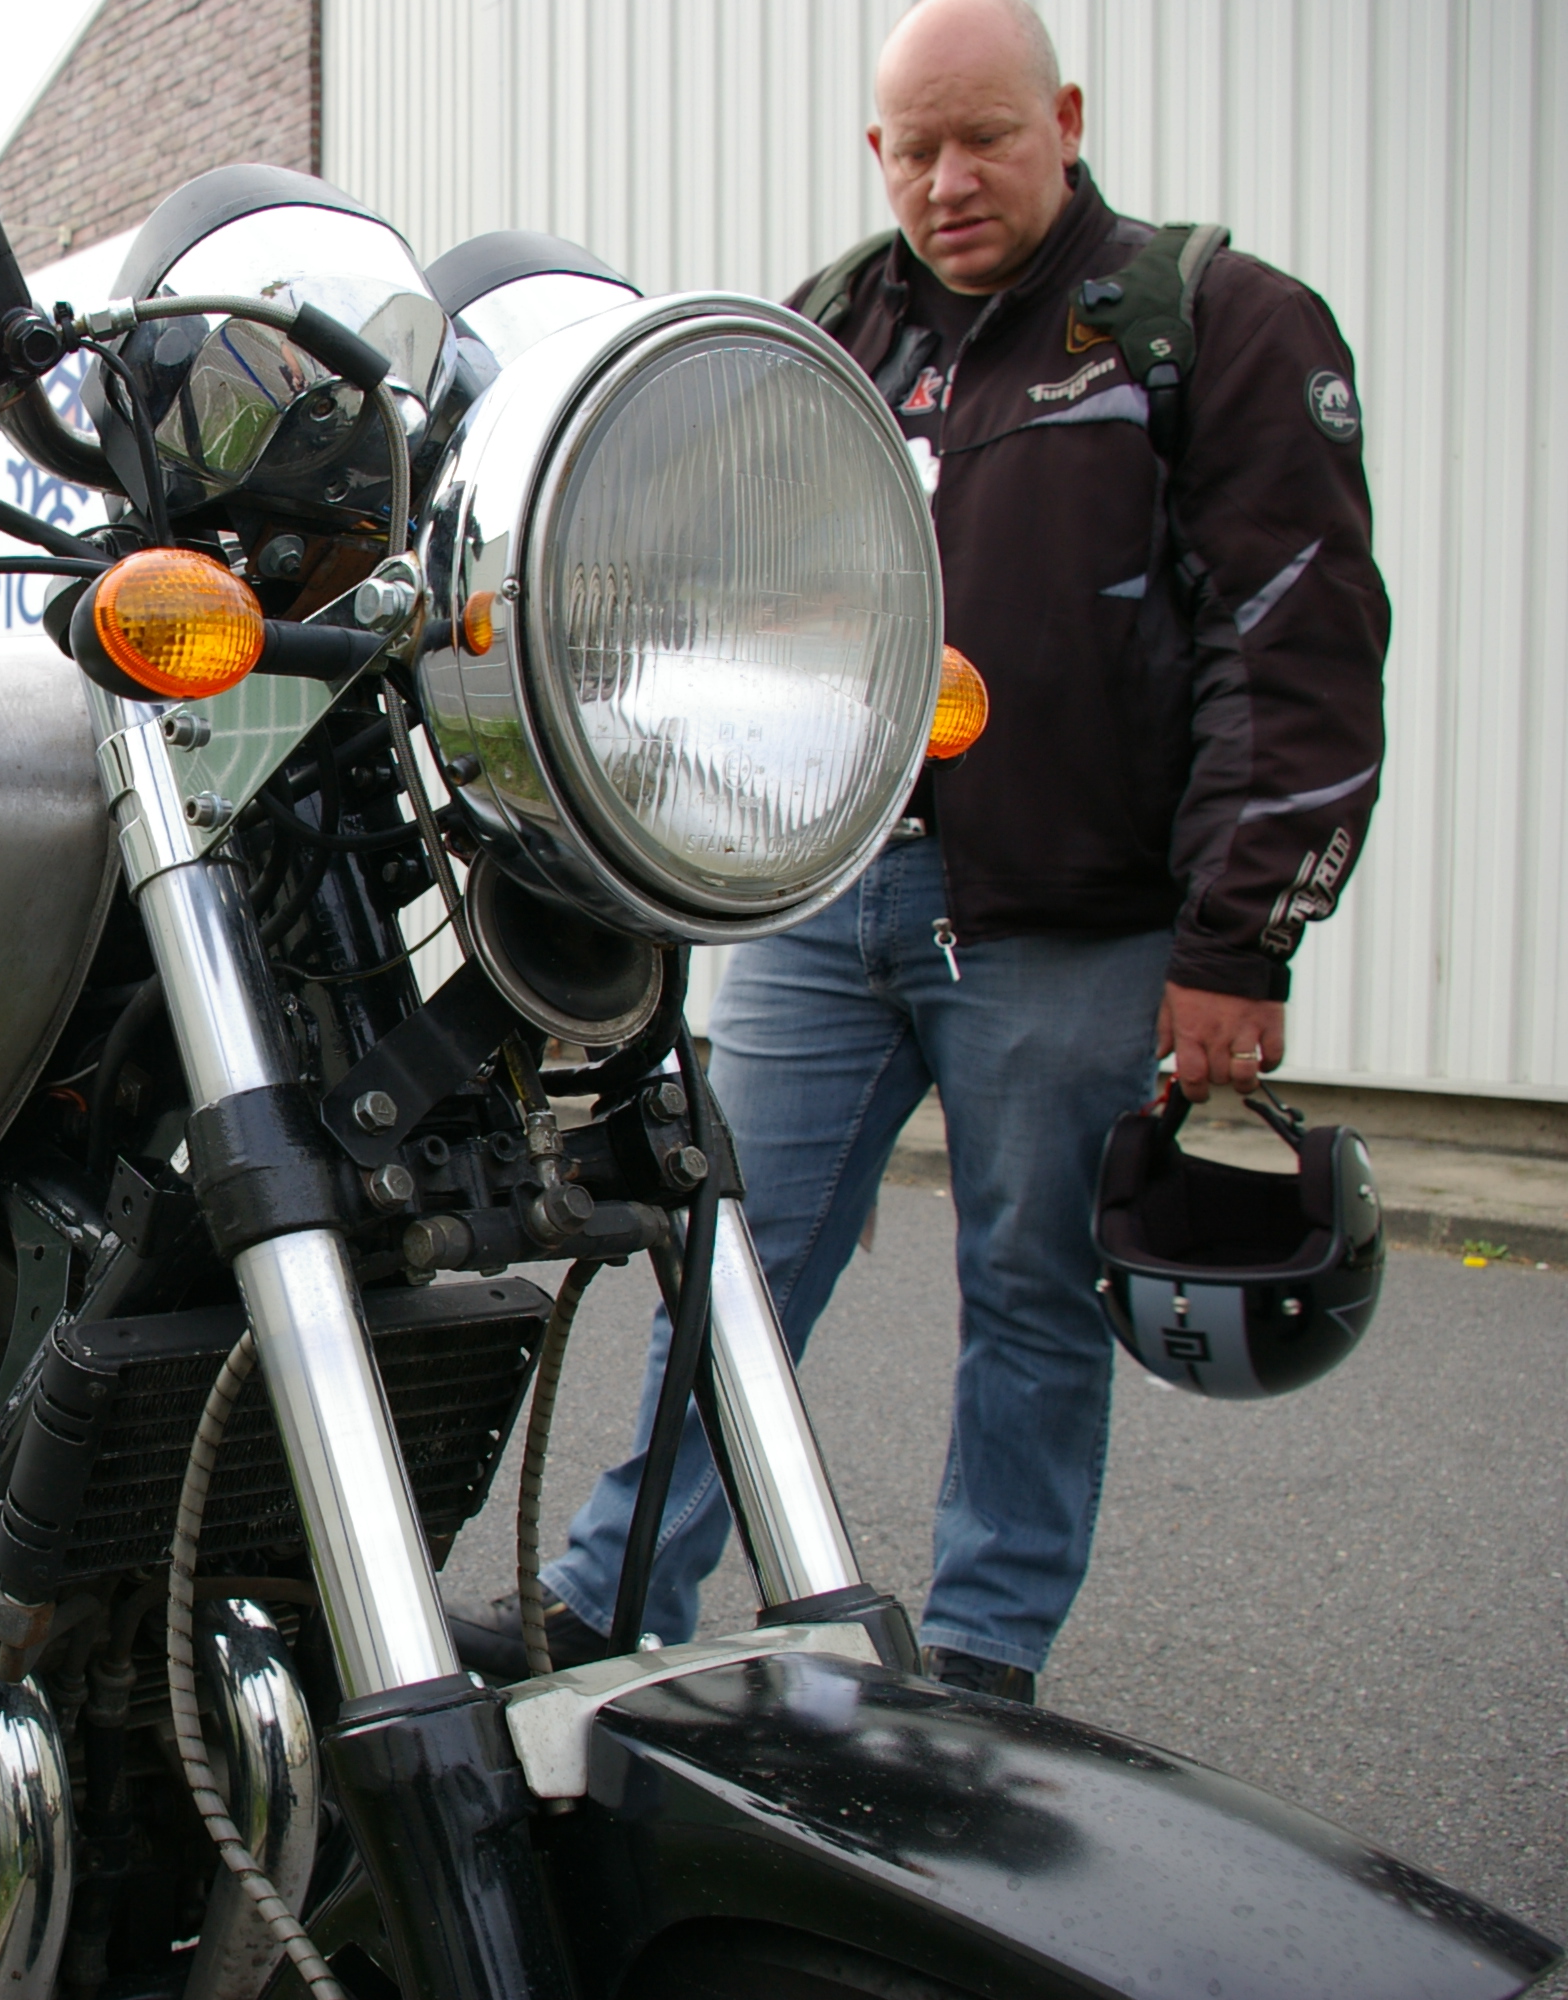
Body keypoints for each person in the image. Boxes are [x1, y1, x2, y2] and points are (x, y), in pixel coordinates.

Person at [503, 0, 1388, 1703]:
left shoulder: (1208, 325)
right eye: (915, 148)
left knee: (1033, 1297)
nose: (949, 179)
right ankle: (611, 1596)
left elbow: (1292, 642)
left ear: (1066, 119)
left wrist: (1237, 941)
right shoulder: (828, 337)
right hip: (825, 898)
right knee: (727, 1266)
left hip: (1073, 923)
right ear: (875, 151)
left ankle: (982, 1659)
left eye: (985, 137)